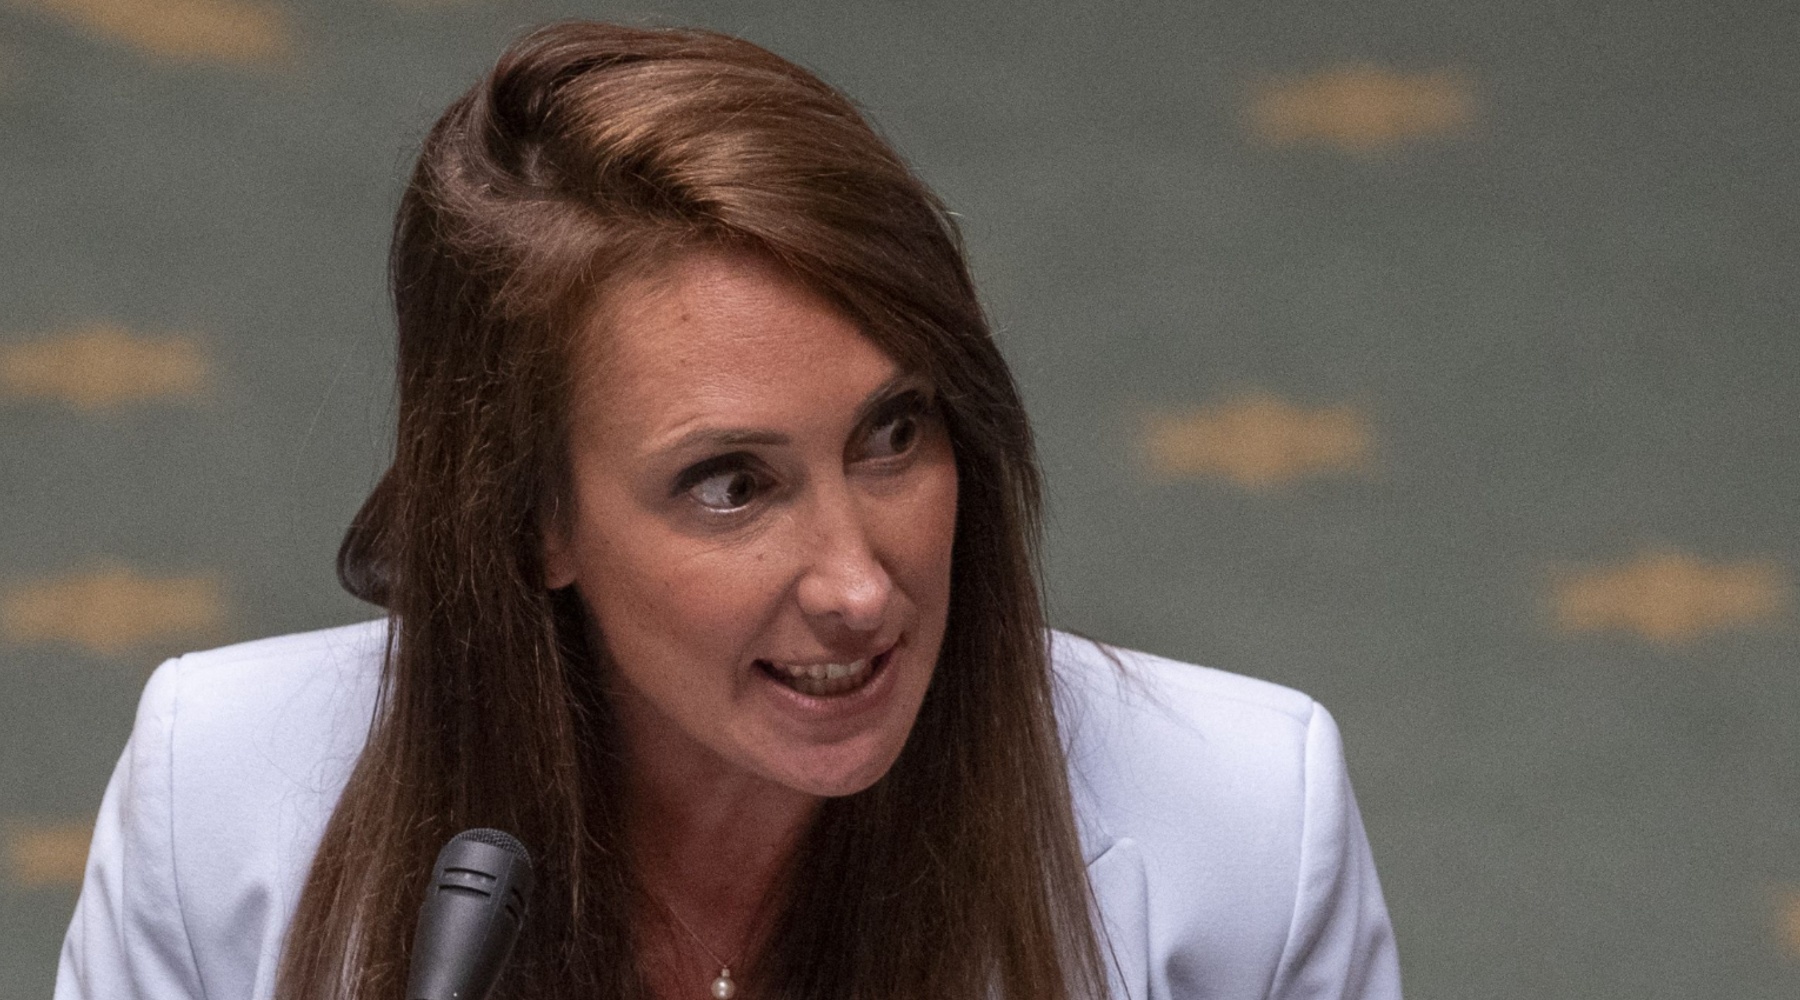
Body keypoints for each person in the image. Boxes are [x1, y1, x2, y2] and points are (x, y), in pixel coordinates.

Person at [54, 20, 1400, 1000]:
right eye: (732, 486)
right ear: (531, 520)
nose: (858, 587)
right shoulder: (218, 794)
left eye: (894, 436)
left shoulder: (1245, 822)